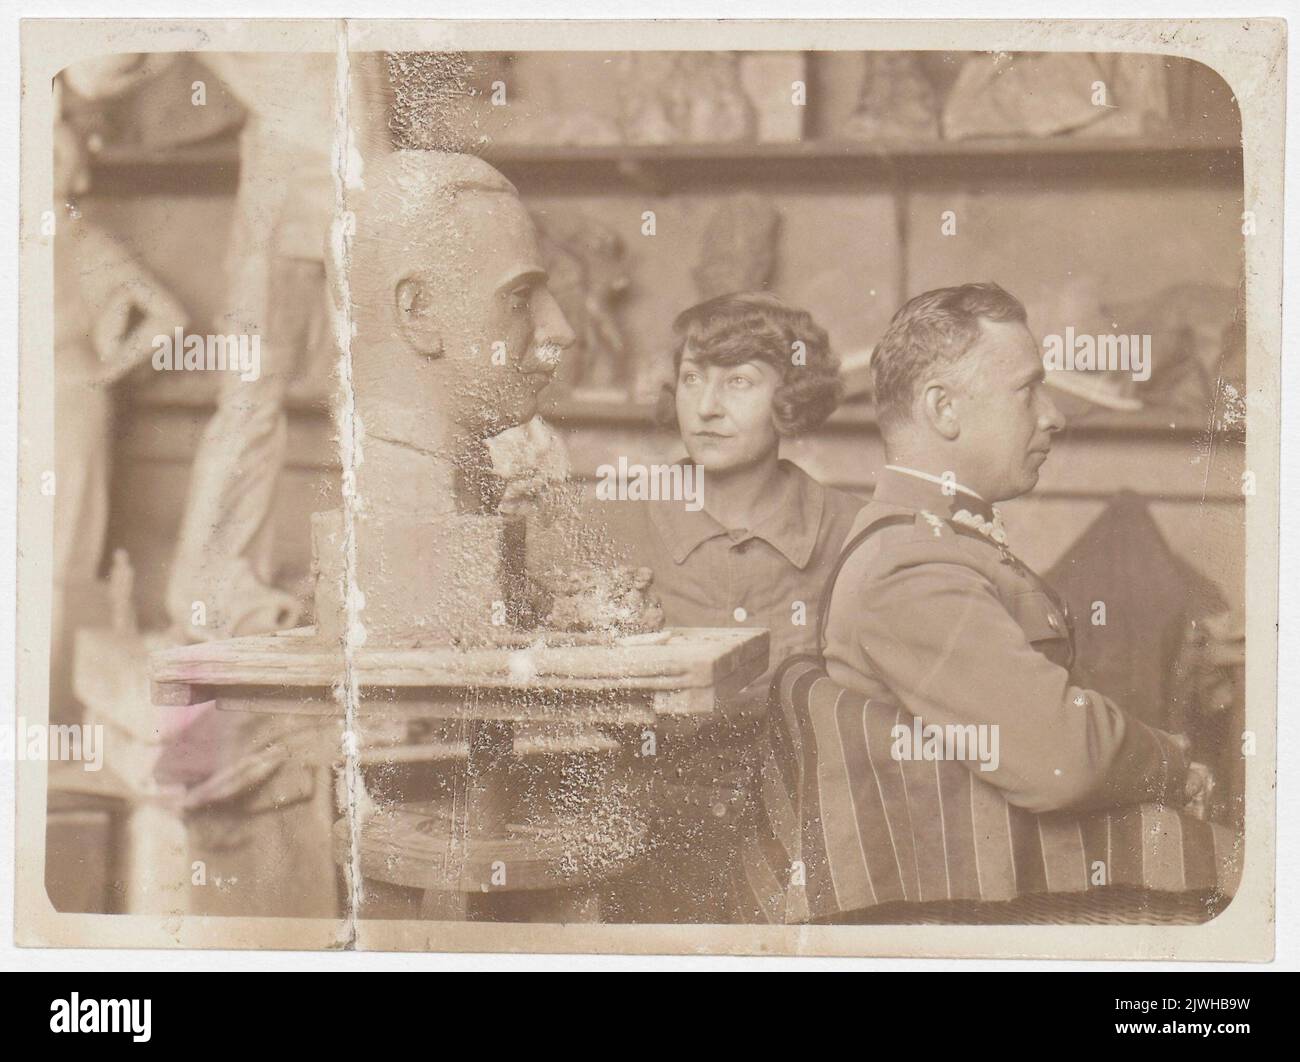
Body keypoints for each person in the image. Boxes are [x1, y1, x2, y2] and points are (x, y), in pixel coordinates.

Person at [600, 292, 864, 921]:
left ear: (792, 396)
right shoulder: (612, 519)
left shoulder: (854, 530)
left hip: (806, 839)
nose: (708, 407)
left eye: (738, 382)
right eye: (692, 379)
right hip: (640, 839)